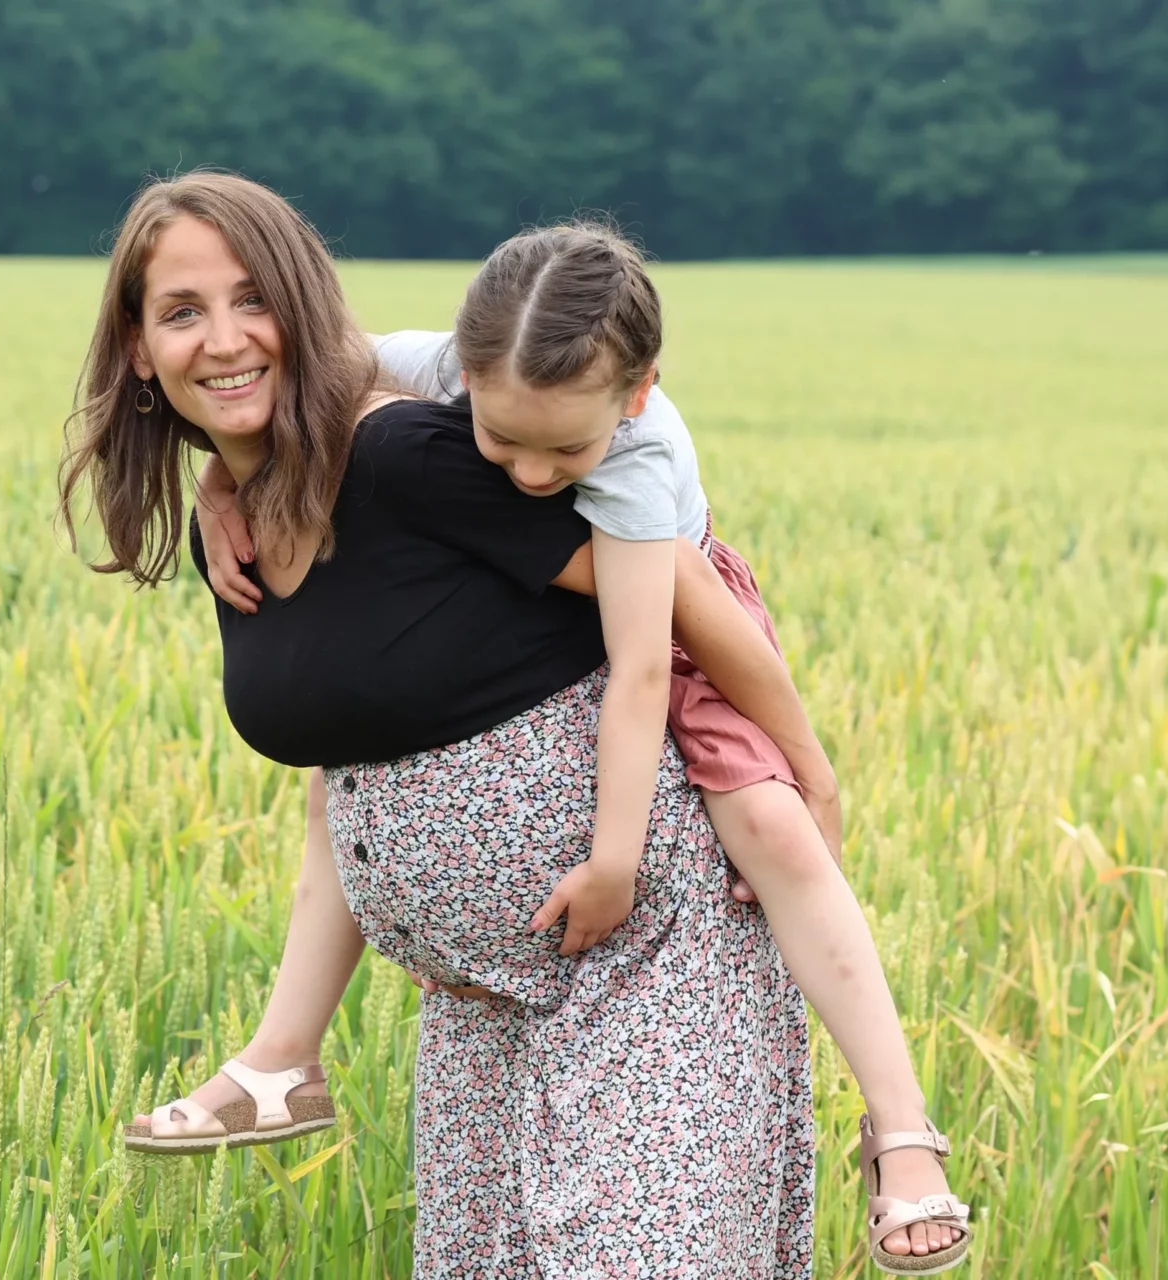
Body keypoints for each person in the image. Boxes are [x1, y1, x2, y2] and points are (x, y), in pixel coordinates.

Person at [60, 171, 813, 1275]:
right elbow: (353, 780)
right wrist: (224, 492)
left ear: (307, 310)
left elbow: (681, 593)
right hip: (481, 1009)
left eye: (252, 298)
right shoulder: (247, 513)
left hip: (643, 961)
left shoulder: (411, 452)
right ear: (138, 346)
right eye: (181, 311)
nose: (222, 339)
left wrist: (807, 767)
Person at [197, 226, 971, 1274]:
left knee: (774, 828)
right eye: (502, 438)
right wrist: (221, 481)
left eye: (564, 452)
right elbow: (315, 379)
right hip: (510, 977)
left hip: (678, 631)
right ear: (464, 374)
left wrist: (621, 855)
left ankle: (901, 1128)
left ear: (638, 391)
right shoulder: (447, 368)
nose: (527, 473)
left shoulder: (640, 464)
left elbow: (643, 673)